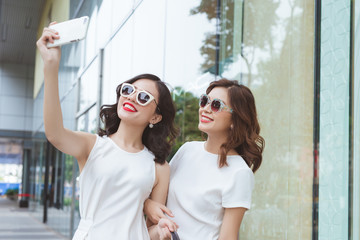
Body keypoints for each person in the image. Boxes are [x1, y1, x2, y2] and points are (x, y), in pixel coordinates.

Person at [37, 23, 178, 240]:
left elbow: (148, 229)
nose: (131, 97)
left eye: (143, 97)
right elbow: (54, 133)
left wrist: (160, 231)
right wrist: (51, 66)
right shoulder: (92, 145)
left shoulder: (159, 167)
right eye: (129, 90)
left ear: (155, 117)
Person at [145, 79, 265, 240]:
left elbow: (228, 237)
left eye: (216, 105)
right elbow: (158, 195)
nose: (205, 109)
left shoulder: (240, 173)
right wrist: (148, 205)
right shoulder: (187, 150)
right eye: (204, 101)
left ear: (235, 119)